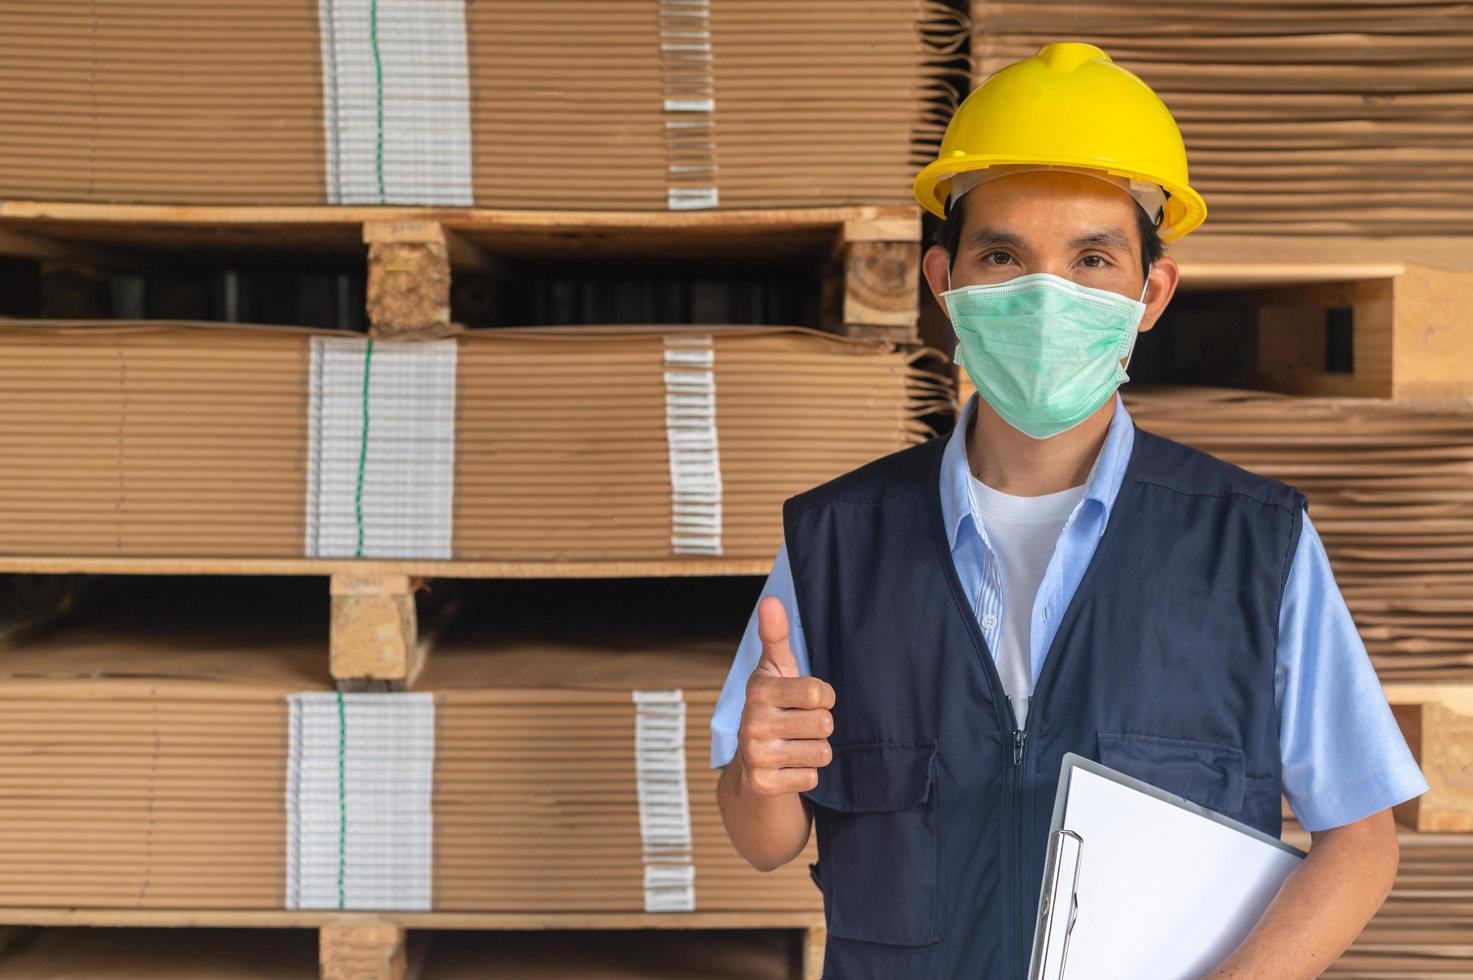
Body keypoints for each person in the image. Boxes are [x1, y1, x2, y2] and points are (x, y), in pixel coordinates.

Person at [710, 41, 1429, 980]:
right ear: (944, 282)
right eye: (1002, 255)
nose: (1046, 295)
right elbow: (763, 839)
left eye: (1092, 258)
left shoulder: (1254, 544)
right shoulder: (835, 545)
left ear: (1148, 294)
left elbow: (1361, 838)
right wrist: (757, 772)